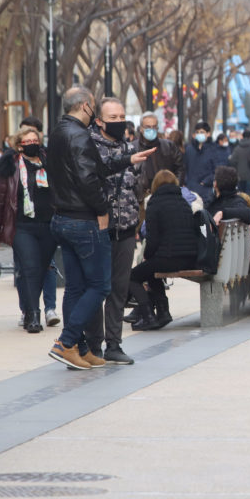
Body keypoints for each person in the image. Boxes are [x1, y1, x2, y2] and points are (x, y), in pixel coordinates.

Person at [46, 86, 153, 370]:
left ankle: (80, 348)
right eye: (94, 106)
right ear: (85, 106)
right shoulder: (80, 135)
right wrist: (102, 209)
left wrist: (128, 159)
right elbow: (87, 179)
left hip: (64, 219)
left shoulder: (58, 133)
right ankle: (67, 342)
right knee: (100, 285)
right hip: (84, 221)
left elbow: (97, 168)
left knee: (76, 289)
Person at [87, 98, 144, 364]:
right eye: (113, 117)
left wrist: (136, 224)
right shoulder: (88, 148)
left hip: (126, 228)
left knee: (119, 289)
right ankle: (93, 345)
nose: (119, 121)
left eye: (122, 116)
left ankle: (114, 344)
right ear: (99, 121)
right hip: (98, 230)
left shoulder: (130, 147)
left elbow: (137, 189)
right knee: (97, 288)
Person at [0, 126, 56, 333]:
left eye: (34, 140)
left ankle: (29, 310)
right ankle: (35, 315)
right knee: (30, 268)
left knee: (42, 270)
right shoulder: (11, 166)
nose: (32, 144)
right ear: (19, 146)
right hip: (22, 226)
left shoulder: (49, 162)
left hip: (48, 225)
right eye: (27, 142)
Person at [128, 170, 199, 329]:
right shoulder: (183, 202)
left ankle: (148, 316)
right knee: (152, 270)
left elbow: (152, 239)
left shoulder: (155, 203)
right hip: (190, 258)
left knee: (132, 277)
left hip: (169, 258)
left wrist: (146, 256)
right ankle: (163, 313)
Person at [136, 111, 184, 195]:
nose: (151, 130)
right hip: (141, 196)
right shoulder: (133, 148)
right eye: (148, 127)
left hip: (165, 194)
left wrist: (175, 187)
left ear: (157, 128)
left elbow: (180, 169)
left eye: (154, 127)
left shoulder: (169, 146)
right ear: (141, 128)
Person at [184, 121, 223, 205]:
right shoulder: (189, 149)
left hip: (206, 191)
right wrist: (186, 181)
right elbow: (184, 167)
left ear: (208, 134)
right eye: (197, 132)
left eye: (202, 132)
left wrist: (206, 181)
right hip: (190, 190)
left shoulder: (214, 150)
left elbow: (217, 170)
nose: (199, 134)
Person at [229, 129, 250, 194]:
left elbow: (232, 161)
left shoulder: (237, 148)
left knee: (240, 194)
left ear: (242, 136)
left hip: (240, 175)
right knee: (249, 195)